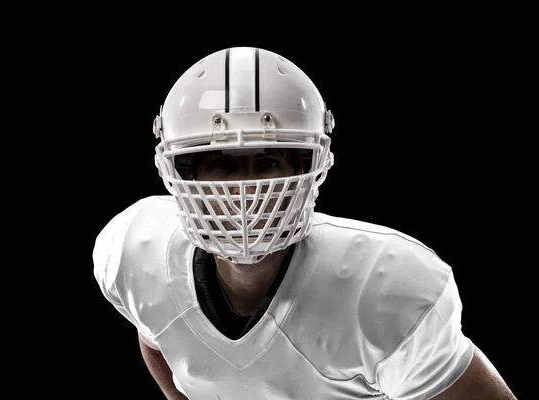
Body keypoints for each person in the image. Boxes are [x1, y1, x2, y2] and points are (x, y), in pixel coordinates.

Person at [93, 47, 516, 399]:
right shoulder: (136, 252)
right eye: (220, 164)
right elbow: (157, 332)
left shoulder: (385, 286)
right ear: (181, 172)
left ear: (311, 164)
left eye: (268, 162)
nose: (246, 192)